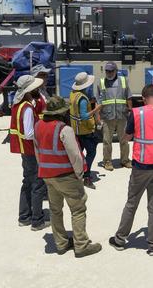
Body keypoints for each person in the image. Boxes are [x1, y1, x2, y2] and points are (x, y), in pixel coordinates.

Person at [111, 84, 153, 256]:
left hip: (141, 165)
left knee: (132, 203)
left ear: (143, 98)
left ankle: (120, 239)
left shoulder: (137, 113)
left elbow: (127, 137)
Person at [34, 97, 102, 258]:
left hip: (47, 175)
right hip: (66, 175)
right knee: (78, 209)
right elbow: (75, 155)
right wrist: (80, 174)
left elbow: (37, 151)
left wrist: (43, 168)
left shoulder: (38, 126)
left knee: (55, 210)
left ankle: (61, 243)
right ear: (62, 112)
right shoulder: (64, 129)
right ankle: (81, 245)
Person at [8, 74, 48, 230]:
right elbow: (29, 133)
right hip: (31, 151)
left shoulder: (17, 105)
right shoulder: (28, 108)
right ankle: (37, 220)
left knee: (27, 182)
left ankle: (24, 216)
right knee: (38, 184)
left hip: (24, 150)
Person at [67, 71, 99, 188]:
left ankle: (77, 172)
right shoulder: (83, 99)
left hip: (76, 129)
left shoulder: (73, 94)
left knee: (78, 153)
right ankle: (86, 174)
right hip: (85, 130)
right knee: (91, 152)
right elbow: (84, 116)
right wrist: (96, 109)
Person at [97, 62, 130, 170]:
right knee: (107, 141)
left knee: (124, 140)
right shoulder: (101, 83)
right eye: (107, 71)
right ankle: (107, 162)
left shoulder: (123, 81)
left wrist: (131, 111)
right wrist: (98, 117)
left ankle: (125, 160)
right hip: (108, 116)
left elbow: (128, 97)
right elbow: (98, 102)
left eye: (111, 71)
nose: (109, 73)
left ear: (116, 71)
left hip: (122, 115)